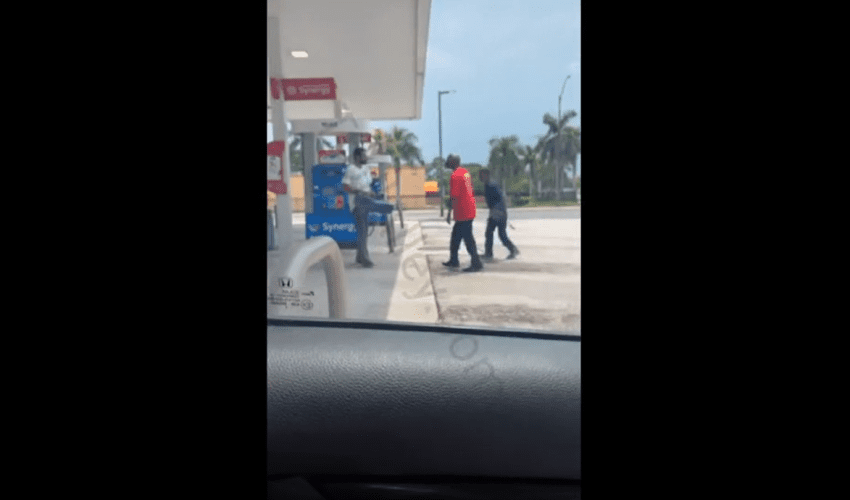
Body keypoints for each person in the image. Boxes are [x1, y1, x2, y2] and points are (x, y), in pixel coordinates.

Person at [342, 147, 391, 267]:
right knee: (362, 230)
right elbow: (345, 186)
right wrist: (360, 191)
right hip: (357, 202)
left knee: (363, 231)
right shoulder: (351, 169)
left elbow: (368, 184)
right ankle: (364, 258)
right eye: (364, 156)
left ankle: (360, 256)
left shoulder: (366, 168)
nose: (366, 158)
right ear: (357, 157)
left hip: (366, 199)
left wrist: (371, 192)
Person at [443, 154, 484, 272]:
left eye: (449, 161)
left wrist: (449, 213)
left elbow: (454, 197)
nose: (447, 163)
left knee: (468, 239)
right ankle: (454, 260)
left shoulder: (455, 176)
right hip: (469, 209)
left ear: (453, 162)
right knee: (455, 238)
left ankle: (476, 263)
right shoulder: (465, 172)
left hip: (463, 212)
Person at [479, 168, 519, 260]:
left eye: (481, 175)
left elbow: (499, 199)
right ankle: (512, 250)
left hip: (497, 213)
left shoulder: (491, 185)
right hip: (499, 213)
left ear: (486, 175)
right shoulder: (489, 184)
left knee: (491, 233)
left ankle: (489, 254)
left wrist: (496, 212)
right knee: (499, 234)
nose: (480, 177)